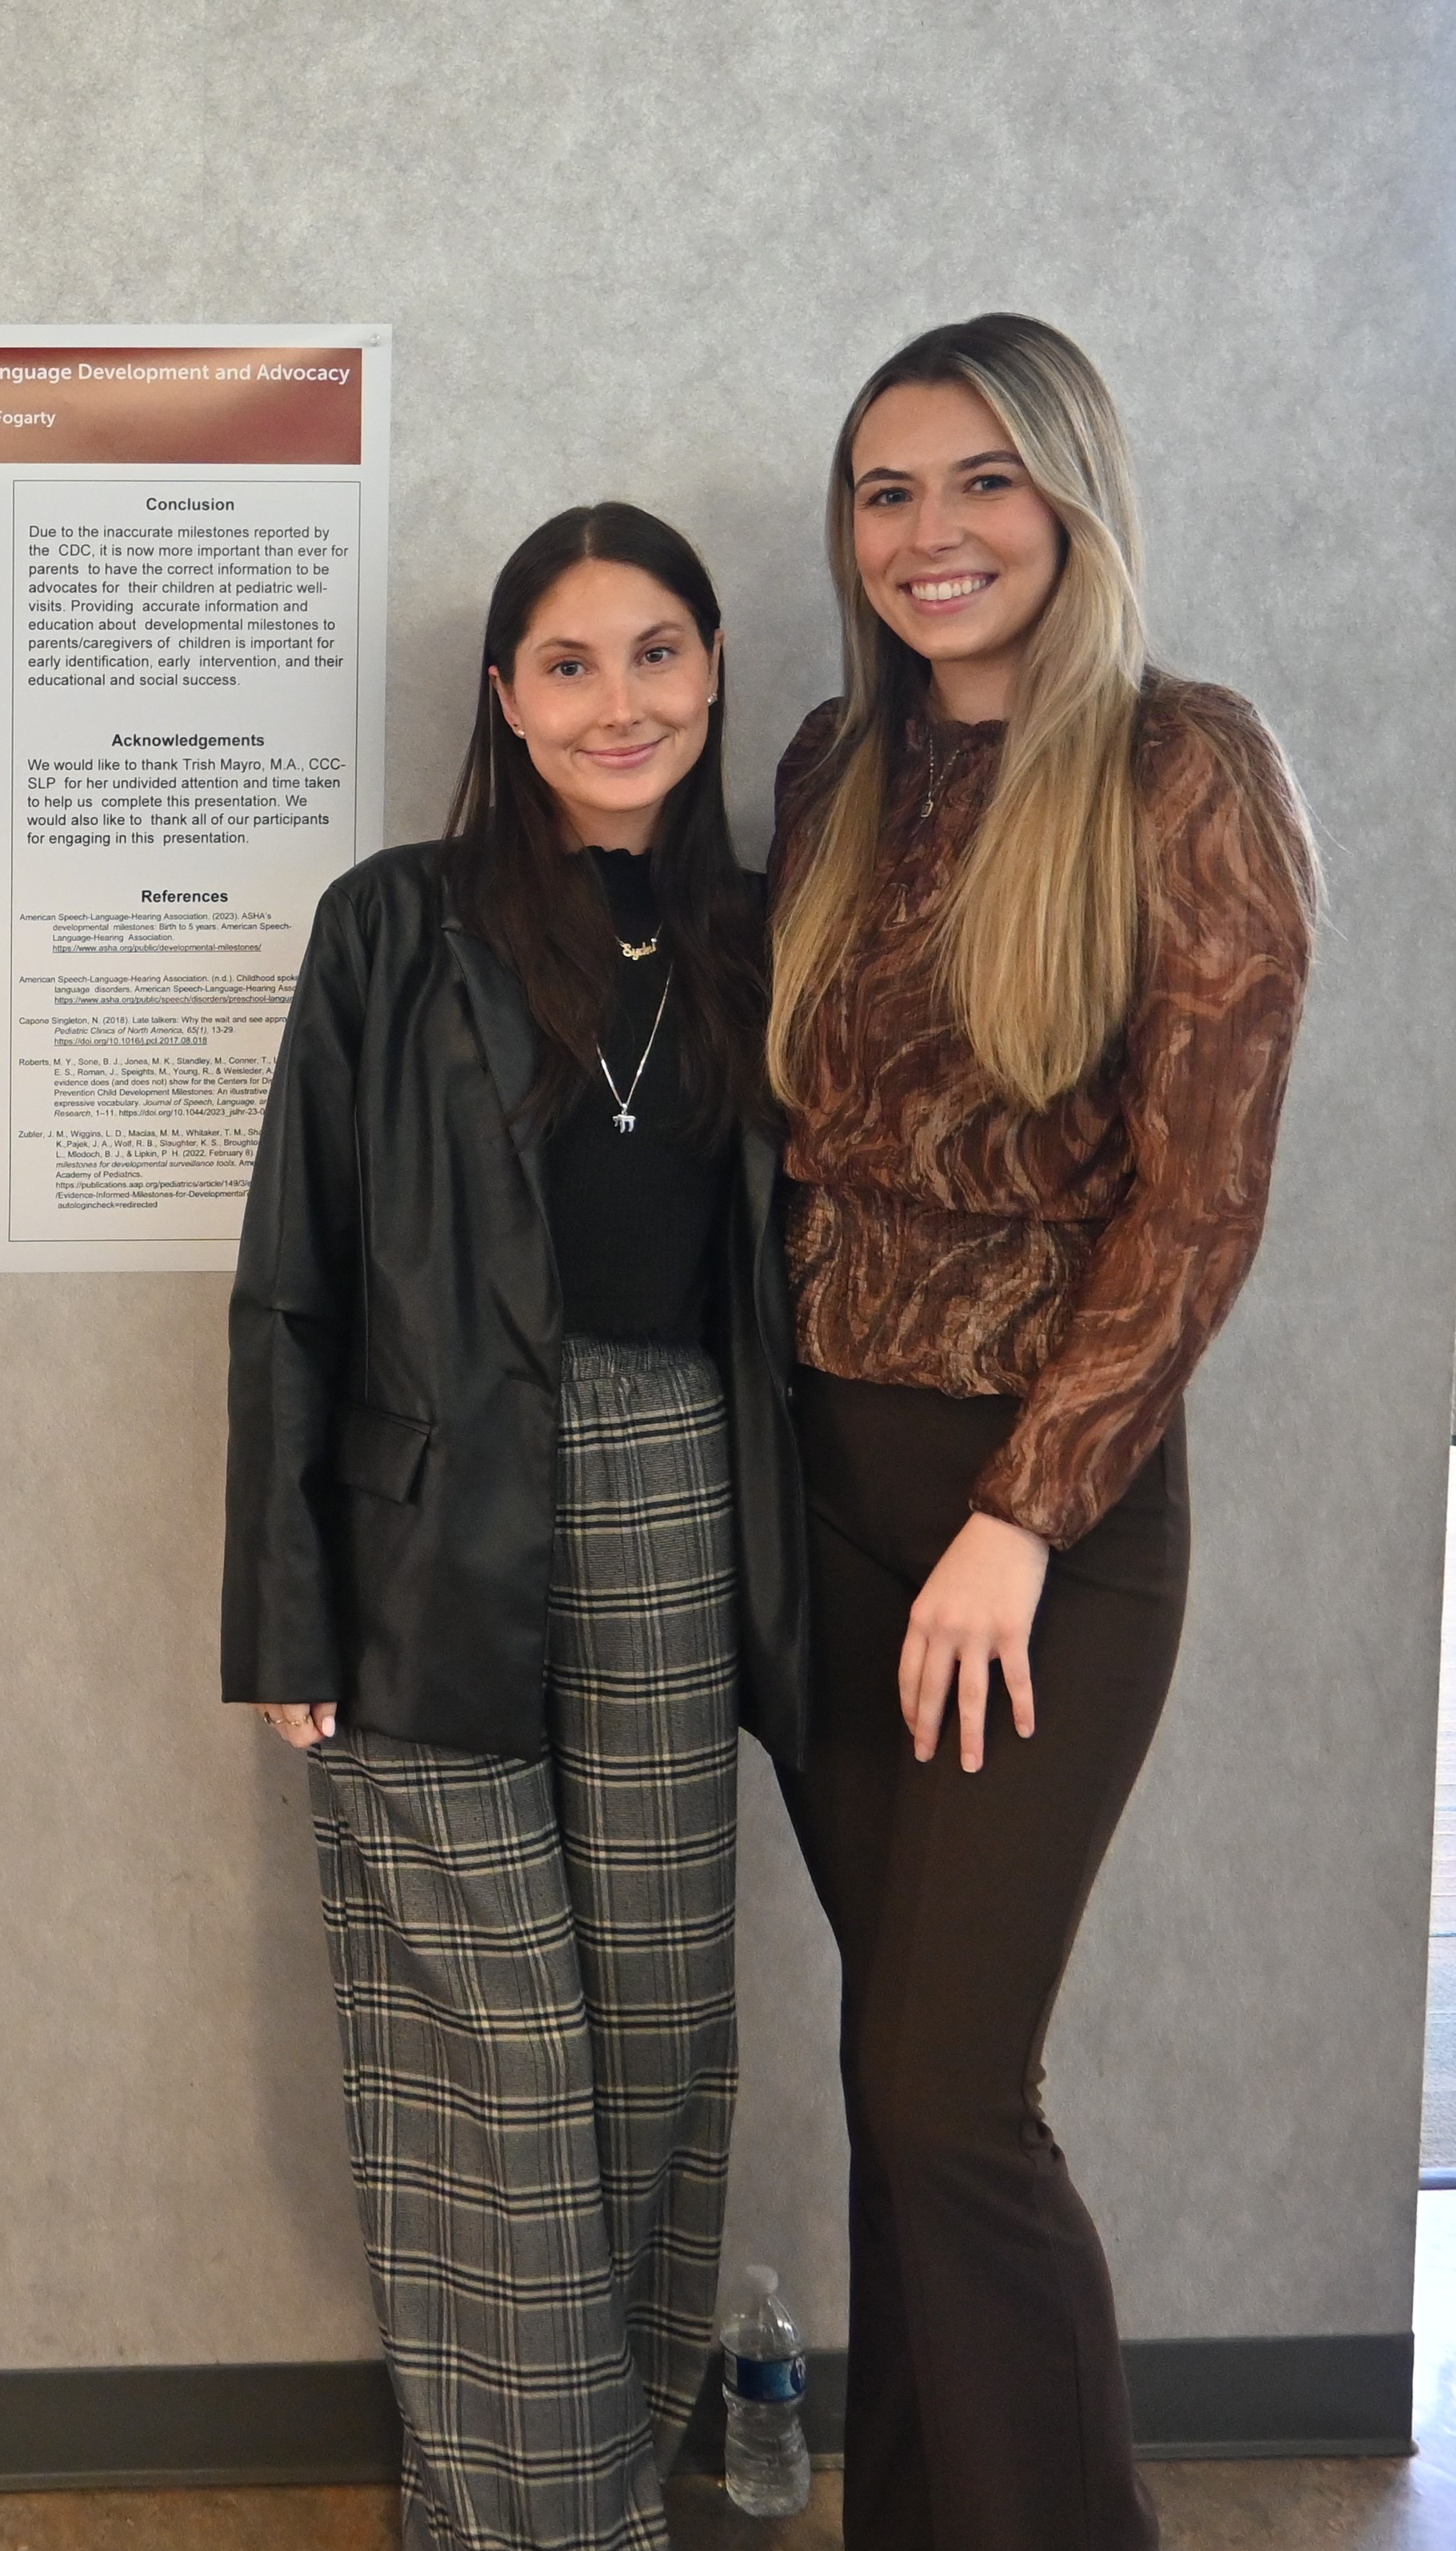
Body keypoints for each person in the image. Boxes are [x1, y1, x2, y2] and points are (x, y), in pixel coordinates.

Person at [766, 313, 1314, 2551]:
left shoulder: (1188, 766)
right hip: (822, 1500)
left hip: (1036, 1528)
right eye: (887, 491)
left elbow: (1203, 1197)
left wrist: (1018, 1514)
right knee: (898, 2093)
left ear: (1073, 496)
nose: (933, 534)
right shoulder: (835, 763)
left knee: (947, 2095)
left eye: (984, 480)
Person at [223, 504, 806, 2551]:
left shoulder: (766, 933)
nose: (616, 701)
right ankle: (542, 2527)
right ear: (504, 694)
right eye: (567, 663)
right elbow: (290, 1281)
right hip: (423, 1530)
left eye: (656, 653)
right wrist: (285, 1609)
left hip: (682, 1499)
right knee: (493, 2065)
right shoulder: (392, 927)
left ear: (713, 669)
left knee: (652, 2037)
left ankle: (585, 2482)